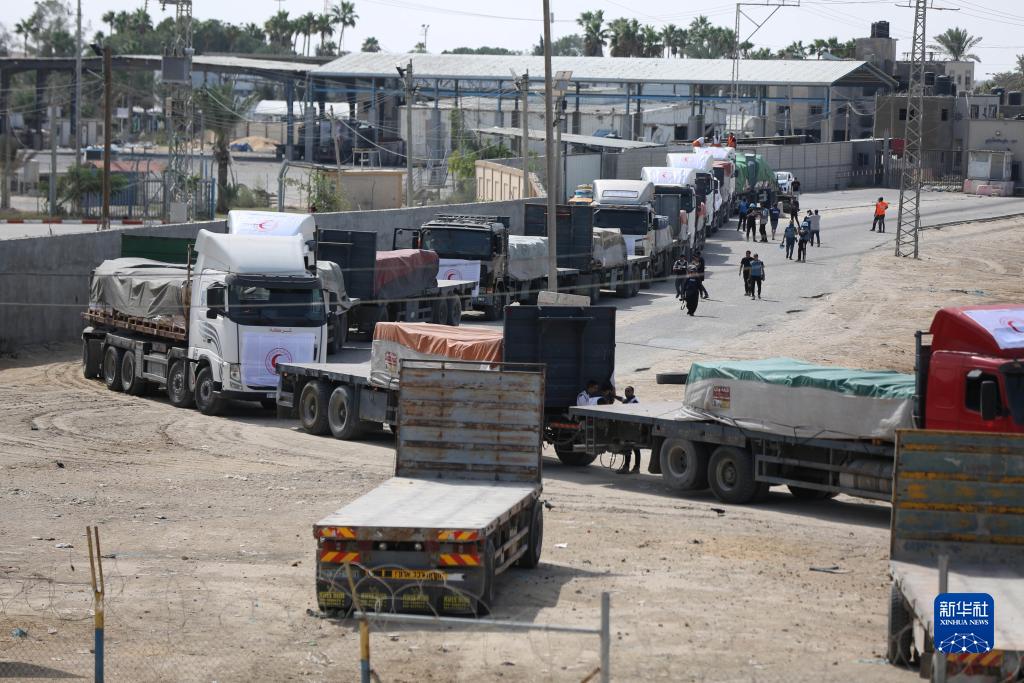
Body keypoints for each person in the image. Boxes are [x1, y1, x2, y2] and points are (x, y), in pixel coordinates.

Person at [616, 387, 642, 474]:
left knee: (634, 448)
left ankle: (634, 467)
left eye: (628, 391)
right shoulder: (628, 400)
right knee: (629, 448)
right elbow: (621, 399)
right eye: (625, 391)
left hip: (633, 429)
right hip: (628, 429)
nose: (626, 393)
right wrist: (613, 395)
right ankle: (628, 467)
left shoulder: (635, 402)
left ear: (632, 392)